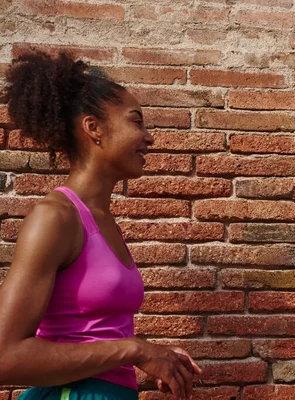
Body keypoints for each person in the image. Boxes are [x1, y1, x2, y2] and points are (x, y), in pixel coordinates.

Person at [0, 51, 201, 400]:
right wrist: (136, 350)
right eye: (136, 122)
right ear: (94, 128)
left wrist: (159, 357)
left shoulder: (104, 221)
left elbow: (96, 336)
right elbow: (5, 357)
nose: (149, 137)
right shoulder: (55, 217)